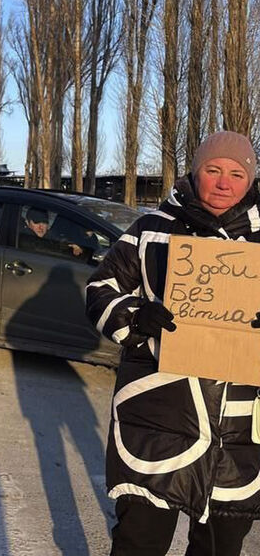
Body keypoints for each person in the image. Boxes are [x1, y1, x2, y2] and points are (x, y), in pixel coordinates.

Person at [86, 130, 260, 556]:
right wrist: (135, 317)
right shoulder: (151, 230)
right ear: (195, 172)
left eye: (236, 174)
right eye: (213, 170)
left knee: (220, 548)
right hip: (158, 418)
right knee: (139, 543)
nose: (224, 183)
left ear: (251, 180)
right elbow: (100, 289)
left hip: (237, 435)